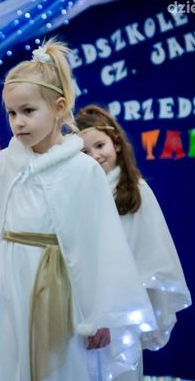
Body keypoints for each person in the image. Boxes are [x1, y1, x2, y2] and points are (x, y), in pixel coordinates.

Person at [0, 39, 157, 381]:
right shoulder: (6, 163)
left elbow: (100, 245)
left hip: (65, 289)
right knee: (11, 364)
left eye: (28, 111)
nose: (18, 122)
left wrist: (99, 313)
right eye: (12, 113)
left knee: (61, 366)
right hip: (9, 286)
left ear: (59, 107)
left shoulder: (84, 170)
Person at [76, 104, 191, 380]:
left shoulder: (134, 193)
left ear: (116, 142)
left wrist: (108, 316)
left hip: (119, 314)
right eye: (84, 152)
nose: (94, 156)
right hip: (79, 312)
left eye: (99, 146)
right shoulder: (77, 195)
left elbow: (143, 260)